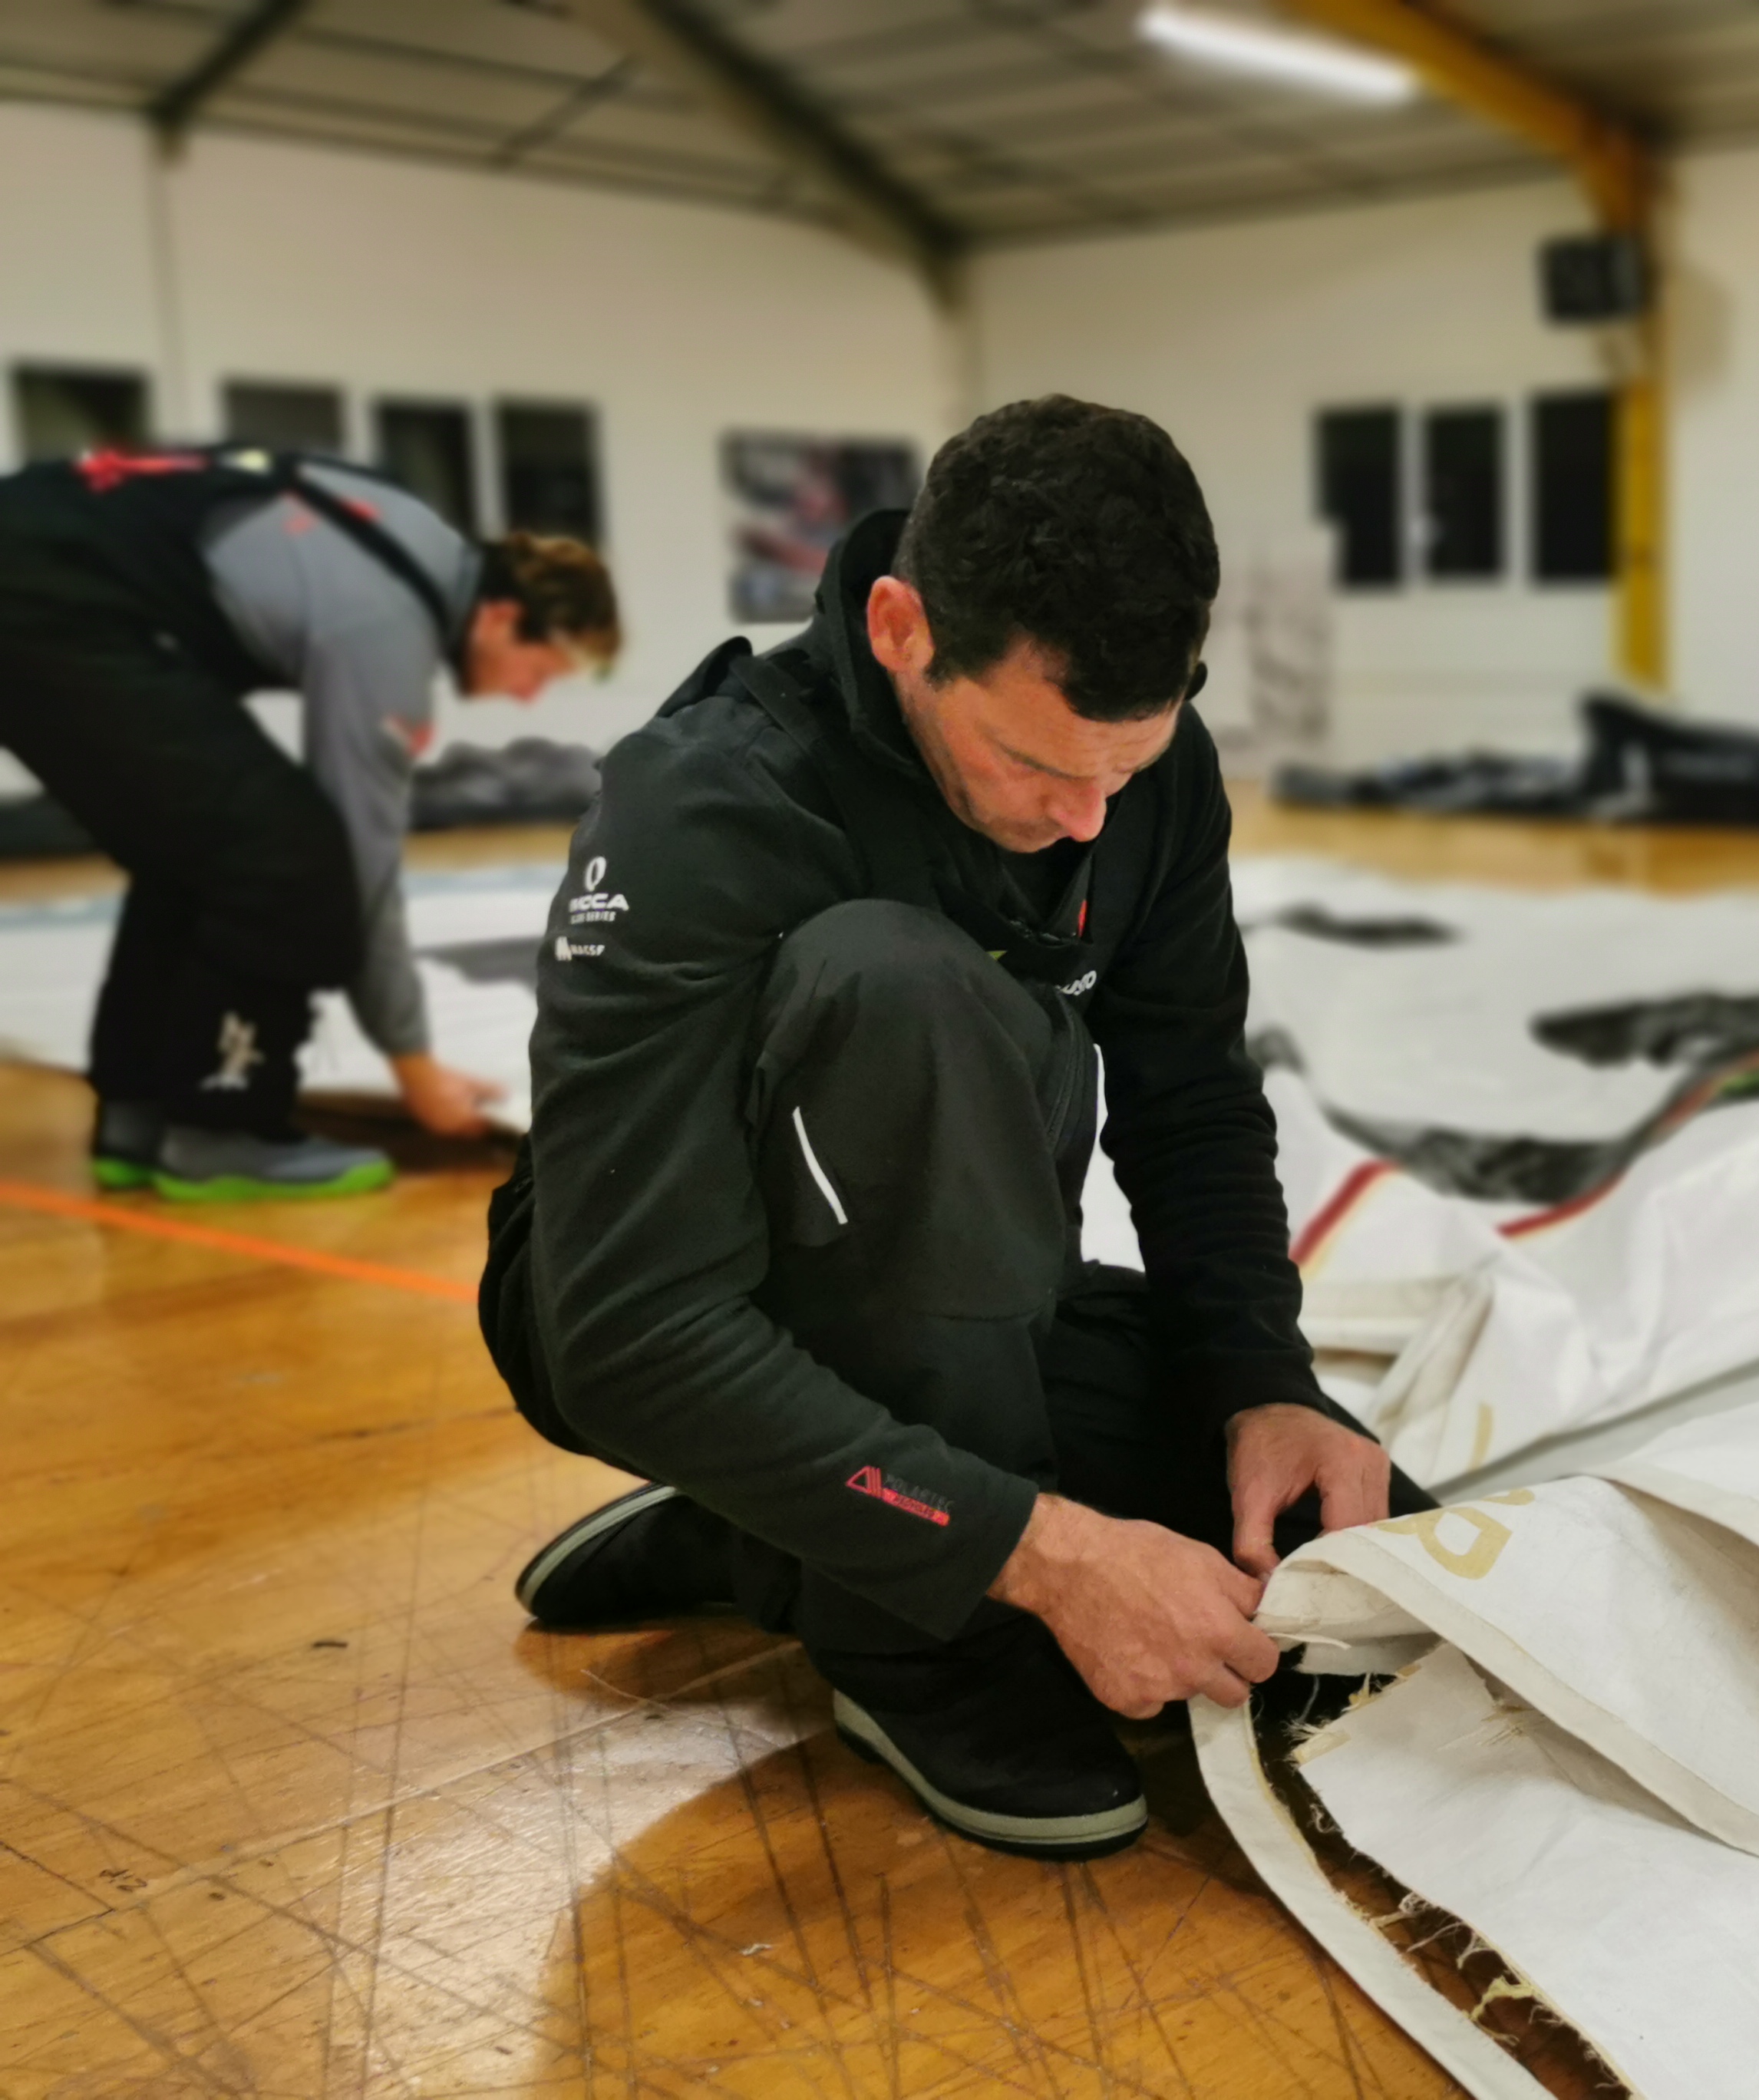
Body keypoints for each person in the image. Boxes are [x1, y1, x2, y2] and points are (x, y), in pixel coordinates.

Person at [483, 397, 1435, 1862]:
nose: (1086, 819)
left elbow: (1188, 1091)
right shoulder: (704, 802)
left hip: (964, 1300)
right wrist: (1037, 1557)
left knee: (1351, 1571)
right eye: (1034, 764)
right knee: (895, 981)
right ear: (899, 630)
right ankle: (915, 1643)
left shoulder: (1138, 779)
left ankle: (773, 1530)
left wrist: (1262, 1375)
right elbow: (627, 1332)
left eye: (1125, 767)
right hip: (650, 1303)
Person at [0, 443, 619, 1199]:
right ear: (501, 618)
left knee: (196, 851)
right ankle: (222, 1123)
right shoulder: (389, 618)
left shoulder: (406, 535)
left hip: (46, 569)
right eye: (542, 670)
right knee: (287, 857)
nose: (528, 697)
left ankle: (141, 1115)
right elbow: (363, 862)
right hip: (48, 593)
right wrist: (413, 1064)